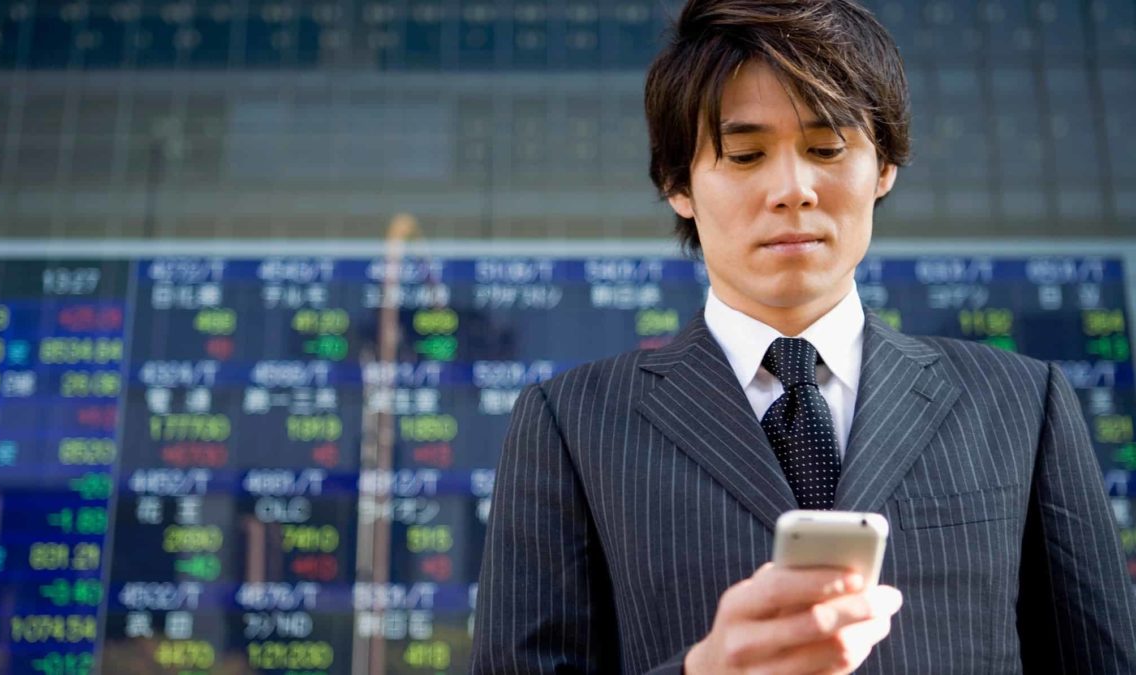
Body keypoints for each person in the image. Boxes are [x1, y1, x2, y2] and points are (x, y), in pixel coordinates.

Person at [470, 0, 1136, 672]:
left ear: (884, 166)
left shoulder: (1022, 403)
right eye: (745, 154)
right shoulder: (572, 423)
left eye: (826, 149)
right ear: (677, 183)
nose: (793, 190)